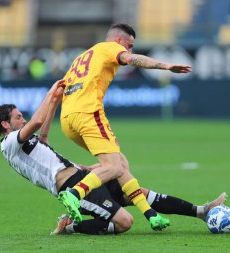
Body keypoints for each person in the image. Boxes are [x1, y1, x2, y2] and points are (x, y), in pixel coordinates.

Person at [0, 80, 227, 235]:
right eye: (18, 117)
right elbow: (37, 122)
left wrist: (55, 101)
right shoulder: (10, 144)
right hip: (70, 187)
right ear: (5, 124)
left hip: (82, 175)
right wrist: (50, 93)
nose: (22, 119)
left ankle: (201, 211)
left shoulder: (23, 144)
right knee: (124, 223)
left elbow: (43, 138)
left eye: (22, 116)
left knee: (137, 191)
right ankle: (70, 226)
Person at [58, 23, 192, 230]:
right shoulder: (110, 47)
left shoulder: (83, 56)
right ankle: (75, 193)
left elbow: (58, 90)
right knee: (113, 166)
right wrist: (165, 66)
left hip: (67, 119)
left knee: (120, 163)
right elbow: (131, 59)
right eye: (128, 45)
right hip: (88, 113)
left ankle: (150, 214)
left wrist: (46, 132)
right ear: (119, 40)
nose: (129, 50)